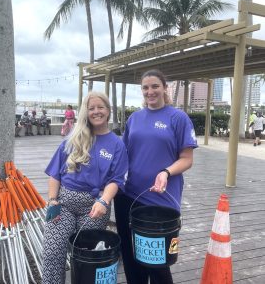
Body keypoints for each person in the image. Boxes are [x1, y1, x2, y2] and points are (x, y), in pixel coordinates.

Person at [114, 69, 198, 284]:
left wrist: (165, 171)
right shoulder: (135, 118)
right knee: (131, 255)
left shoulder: (178, 118)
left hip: (160, 200)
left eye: (154, 86)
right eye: (145, 87)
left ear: (164, 88)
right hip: (127, 195)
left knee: (157, 261)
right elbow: (123, 155)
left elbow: (187, 159)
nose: (150, 91)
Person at [42, 91, 128, 284]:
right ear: (85, 112)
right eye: (91, 108)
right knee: (51, 252)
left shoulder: (117, 144)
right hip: (63, 204)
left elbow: (116, 179)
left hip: (94, 207)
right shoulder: (73, 138)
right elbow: (55, 173)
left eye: (100, 107)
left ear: (108, 110)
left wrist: (104, 201)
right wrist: (53, 200)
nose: (96, 112)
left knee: (87, 257)